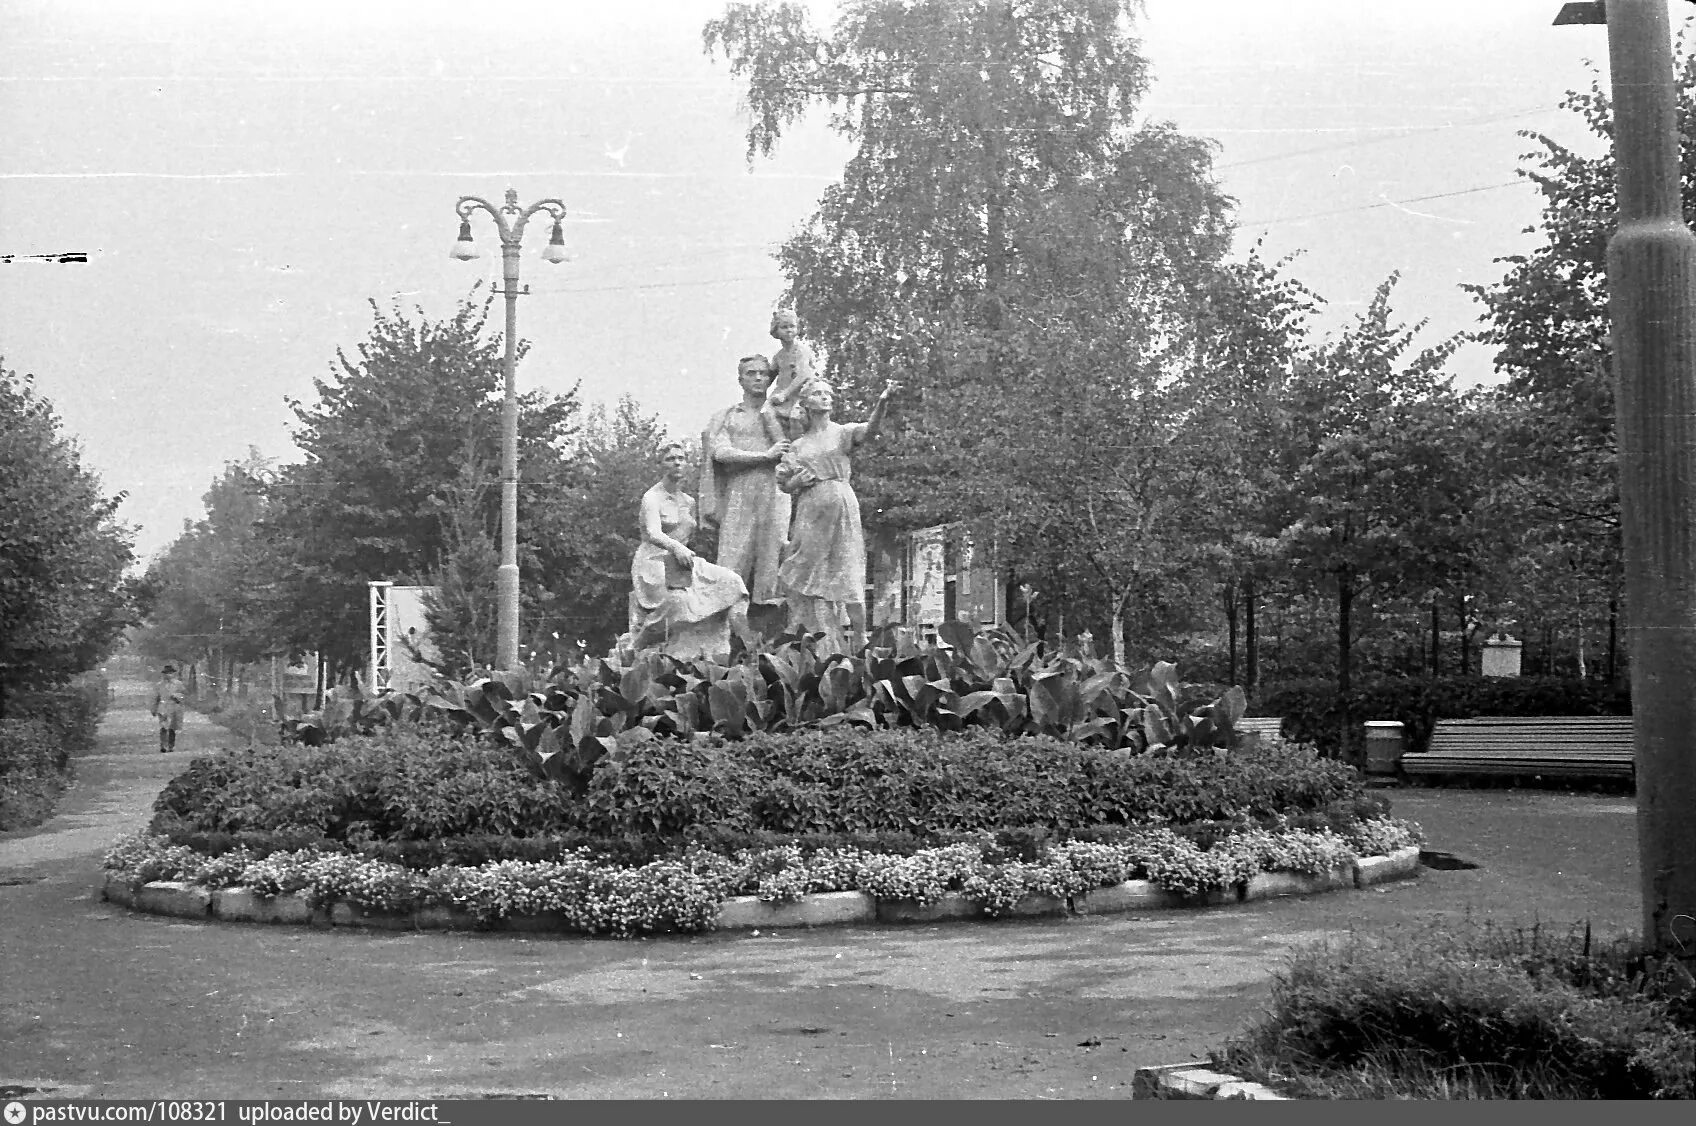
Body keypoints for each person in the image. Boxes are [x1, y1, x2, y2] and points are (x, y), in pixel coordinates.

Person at [775, 377, 898, 653]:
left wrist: (882, 402)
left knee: (847, 567)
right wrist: (797, 483)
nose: (825, 397)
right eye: (818, 394)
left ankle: (859, 636)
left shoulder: (841, 432)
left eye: (828, 393)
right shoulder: (798, 446)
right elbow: (783, 483)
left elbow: (869, 430)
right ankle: (823, 633)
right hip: (810, 508)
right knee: (806, 566)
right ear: (807, 403)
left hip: (840, 503)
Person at [630, 442, 752, 659]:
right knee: (679, 602)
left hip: (683, 562)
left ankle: (745, 646)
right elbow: (653, 533)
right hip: (654, 563)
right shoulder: (652, 498)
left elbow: (690, 535)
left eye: (681, 458)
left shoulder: (689, 501)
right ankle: (644, 642)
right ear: (660, 464)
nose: (677, 463)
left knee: (732, 582)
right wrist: (676, 547)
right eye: (670, 459)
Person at [700, 354, 792, 606]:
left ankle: (770, 628)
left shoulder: (783, 415)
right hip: (740, 490)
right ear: (740, 379)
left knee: (772, 559)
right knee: (731, 560)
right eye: (751, 373)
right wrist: (764, 456)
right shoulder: (728, 416)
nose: (758, 377)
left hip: (776, 490)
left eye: (763, 373)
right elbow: (720, 452)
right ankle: (723, 625)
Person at [763, 308, 818, 440]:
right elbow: (769, 377)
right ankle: (781, 443)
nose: (789, 330)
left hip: (801, 392)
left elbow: (804, 374)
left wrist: (784, 394)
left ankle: (798, 449)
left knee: (796, 416)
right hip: (783, 394)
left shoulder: (801, 351)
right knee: (766, 411)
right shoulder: (779, 356)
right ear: (776, 330)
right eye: (784, 327)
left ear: (797, 328)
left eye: (792, 326)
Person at [151, 664, 186, 753]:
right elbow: (156, 697)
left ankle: (171, 745)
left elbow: (184, 696)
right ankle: (163, 745)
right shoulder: (159, 685)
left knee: (172, 728)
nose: (168, 675)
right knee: (163, 727)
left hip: (174, 707)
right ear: (163, 674)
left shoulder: (178, 684)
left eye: (170, 673)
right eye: (166, 673)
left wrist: (177, 696)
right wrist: (154, 709)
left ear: (173, 674)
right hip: (163, 707)